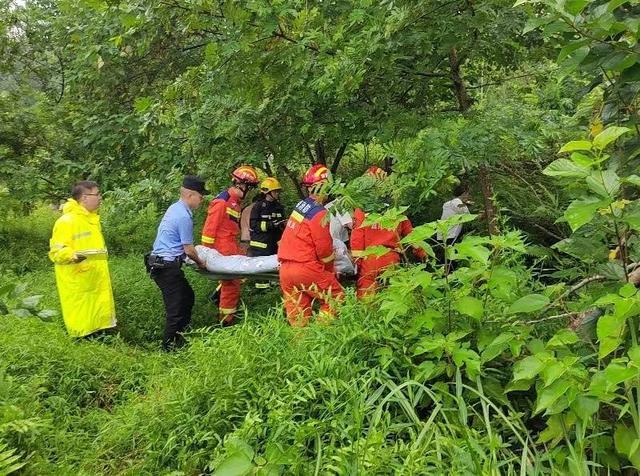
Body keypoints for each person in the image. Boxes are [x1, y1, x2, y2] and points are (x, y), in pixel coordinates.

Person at [278, 164, 344, 326]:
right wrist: (330, 272)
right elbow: (324, 250)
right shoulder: (320, 213)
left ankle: (301, 346)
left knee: (298, 314)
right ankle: (320, 333)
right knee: (335, 296)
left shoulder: (300, 207)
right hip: (306, 268)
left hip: (285, 270)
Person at [49, 180, 116, 337]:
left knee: (97, 322)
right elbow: (56, 253)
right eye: (97, 194)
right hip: (79, 280)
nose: (100, 197)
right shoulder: (66, 222)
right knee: (83, 324)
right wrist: (72, 256)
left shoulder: (91, 219)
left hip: (94, 278)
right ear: (84, 198)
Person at [148, 176, 208, 350]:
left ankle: (180, 337)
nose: (202, 200)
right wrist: (200, 262)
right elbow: (189, 249)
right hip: (166, 268)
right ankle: (168, 348)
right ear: (190, 195)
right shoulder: (183, 216)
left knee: (187, 297)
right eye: (200, 196)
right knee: (176, 308)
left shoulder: (176, 208)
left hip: (164, 265)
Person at [351, 166, 426, 298]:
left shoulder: (361, 209)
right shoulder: (396, 207)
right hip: (392, 258)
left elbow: (357, 239)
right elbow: (411, 234)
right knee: (394, 297)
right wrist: (422, 252)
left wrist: (357, 262)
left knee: (367, 297)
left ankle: (369, 316)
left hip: (370, 259)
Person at [201, 165, 259, 325]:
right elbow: (208, 231)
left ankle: (219, 302)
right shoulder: (222, 202)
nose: (251, 191)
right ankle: (226, 322)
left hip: (231, 248)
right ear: (241, 184)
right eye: (250, 187)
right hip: (222, 250)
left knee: (237, 280)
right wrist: (207, 255)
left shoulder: (235, 202)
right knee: (231, 284)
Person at [248, 177, 286, 289]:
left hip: (274, 244)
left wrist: (283, 224)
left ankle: (273, 292)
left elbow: (281, 222)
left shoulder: (278, 206)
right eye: (275, 191)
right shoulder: (258, 206)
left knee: (274, 269)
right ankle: (261, 295)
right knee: (262, 273)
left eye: (278, 191)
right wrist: (271, 225)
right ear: (267, 192)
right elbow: (253, 225)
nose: (277, 193)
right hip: (261, 245)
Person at [436, 183, 472, 269]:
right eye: (468, 194)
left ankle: (441, 276)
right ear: (464, 194)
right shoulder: (459, 203)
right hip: (451, 235)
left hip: (442, 234)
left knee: (444, 258)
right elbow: (469, 217)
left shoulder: (447, 204)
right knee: (451, 259)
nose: (469, 196)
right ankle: (450, 277)